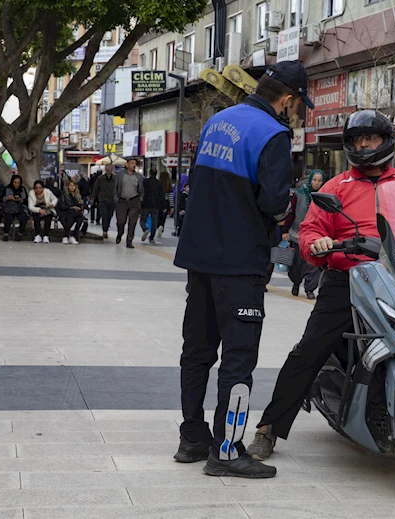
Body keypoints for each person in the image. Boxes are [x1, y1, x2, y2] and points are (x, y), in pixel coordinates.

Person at [246, 110, 395, 463]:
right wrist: (318, 243)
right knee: (310, 349)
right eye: (356, 140)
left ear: (387, 141)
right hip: (350, 278)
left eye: (371, 138)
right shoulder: (338, 186)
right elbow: (309, 230)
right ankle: (269, 428)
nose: (364, 145)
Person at [173, 60, 313, 479]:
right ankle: (228, 449)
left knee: (196, 351)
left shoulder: (218, 121)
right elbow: (274, 202)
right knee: (238, 358)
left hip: (199, 256)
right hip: (239, 262)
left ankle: (192, 438)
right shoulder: (273, 133)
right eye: (296, 104)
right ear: (287, 100)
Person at [283, 169, 325, 299]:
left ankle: (310, 289)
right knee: (296, 264)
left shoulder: (325, 196)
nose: (316, 183)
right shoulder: (299, 194)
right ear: (310, 179)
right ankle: (296, 283)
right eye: (314, 180)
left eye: (319, 181)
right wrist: (285, 230)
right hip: (298, 235)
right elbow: (292, 213)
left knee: (313, 265)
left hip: (316, 235)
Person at [115, 158, 145, 248]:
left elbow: (141, 190)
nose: (134, 165)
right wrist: (116, 199)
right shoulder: (120, 175)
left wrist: (140, 199)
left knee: (132, 223)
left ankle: (129, 241)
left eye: (135, 163)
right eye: (132, 163)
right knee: (121, 221)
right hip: (122, 201)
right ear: (127, 164)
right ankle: (120, 234)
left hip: (134, 201)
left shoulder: (138, 177)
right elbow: (115, 188)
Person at [140, 169, 165, 244]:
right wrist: (163, 206)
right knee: (154, 222)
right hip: (156, 205)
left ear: (149, 173)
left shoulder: (145, 182)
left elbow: (141, 192)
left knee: (142, 220)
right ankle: (152, 238)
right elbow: (161, 195)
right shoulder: (159, 183)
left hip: (146, 204)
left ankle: (145, 229)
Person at [92, 165, 116, 239]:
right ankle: (105, 230)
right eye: (107, 168)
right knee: (104, 215)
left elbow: (118, 189)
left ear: (112, 169)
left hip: (112, 201)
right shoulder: (100, 178)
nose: (108, 169)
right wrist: (93, 198)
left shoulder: (115, 179)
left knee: (110, 215)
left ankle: (106, 227)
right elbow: (96, 188)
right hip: (102, 200)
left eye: (110, 168)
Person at [2, 175, 29, 242]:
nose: (16, 184)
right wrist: (7, 198)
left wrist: (20, 199)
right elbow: (1, 199)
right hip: (9, 207)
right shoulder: (7, 188)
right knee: (8, 217)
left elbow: (26, 201)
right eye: (15, 182)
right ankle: (6, 233)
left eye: (18, 183)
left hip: (20, 207)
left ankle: (20, 233)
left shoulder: (22, 189)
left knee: (23, 217)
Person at [59, 179, 85, 245]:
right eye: (70, 185)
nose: (72, 187)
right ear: (68, 186)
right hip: (65, 212)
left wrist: (80, 207)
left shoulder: (78, 195)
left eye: (73, 185)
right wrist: (71, 207)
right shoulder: (64, 194)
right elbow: (62, 205)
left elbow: (80, 205)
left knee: (80, 218)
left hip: (75, 213)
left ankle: (73, 236)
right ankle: (66, 236)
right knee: (72, 215)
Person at [158, 170, 174, 238]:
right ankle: (161, 227)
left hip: (159, 202)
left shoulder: (158, 184)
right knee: (163, 218)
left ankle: (158, 226)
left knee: (158, 216)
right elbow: (171, 196)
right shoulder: (169, 186)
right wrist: (172, 206)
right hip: (166, 202)